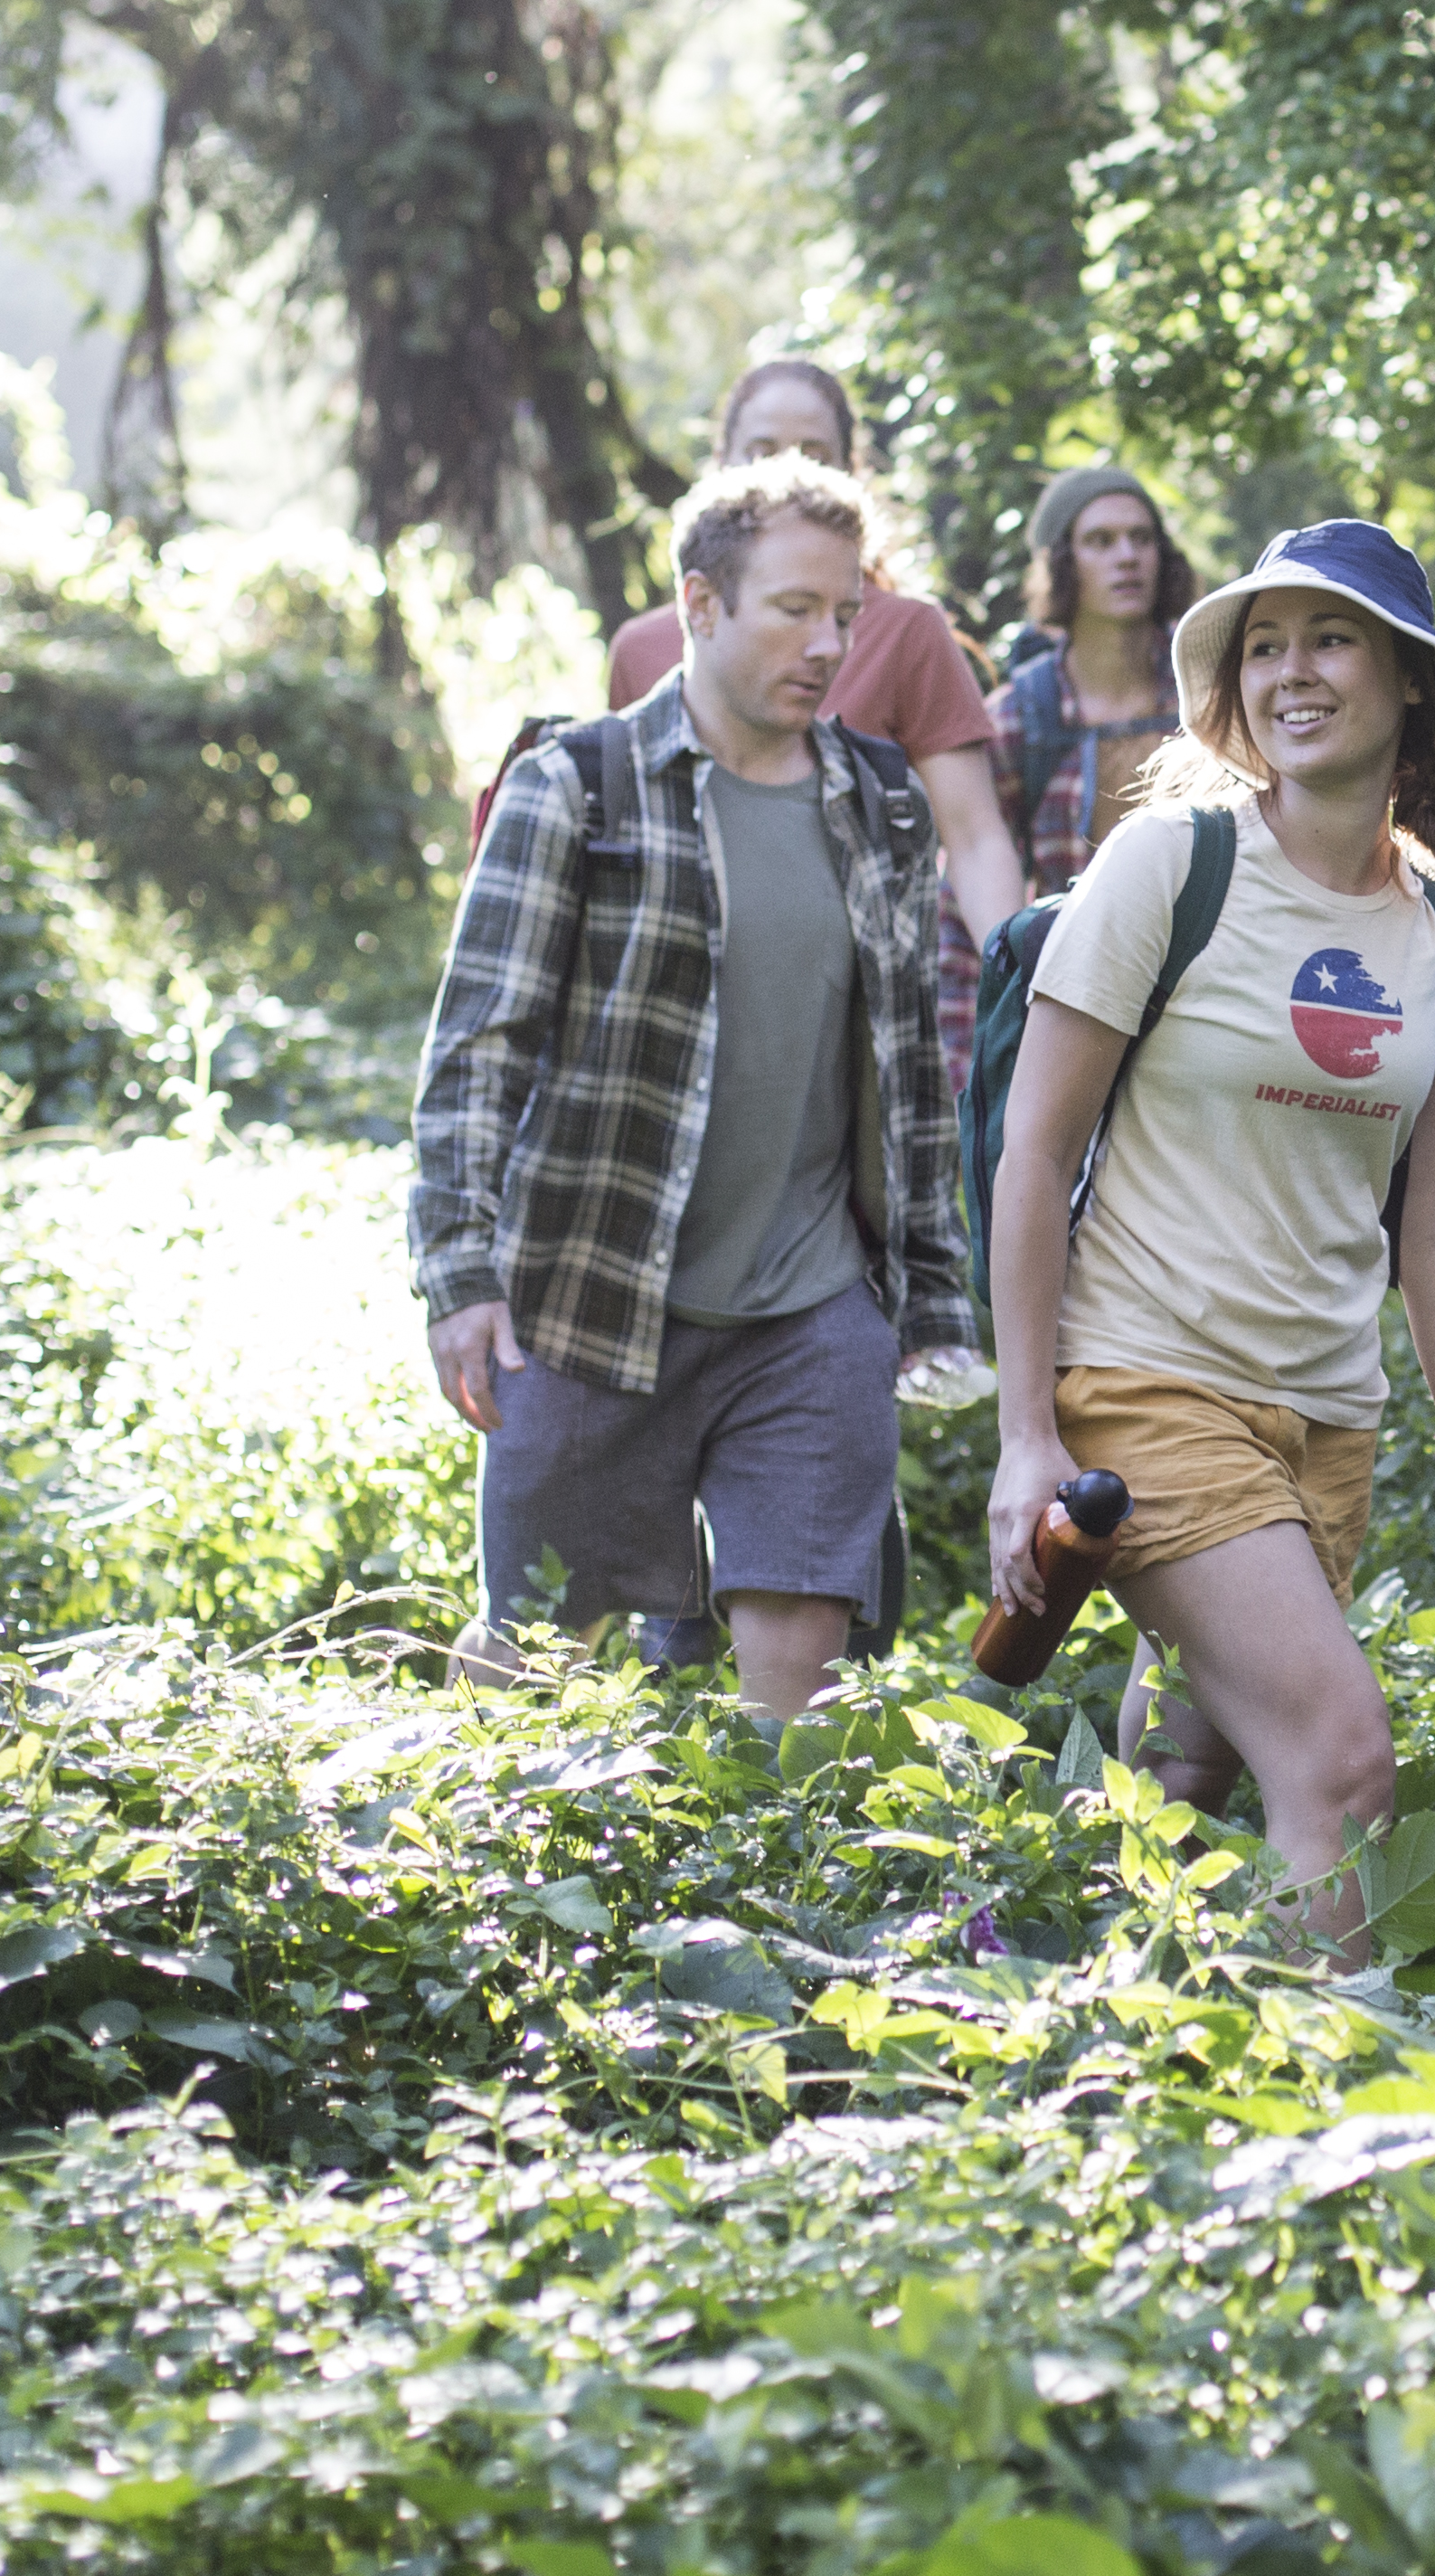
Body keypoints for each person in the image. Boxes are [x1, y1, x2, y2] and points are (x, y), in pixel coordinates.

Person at [979, 517, 1435, 1957]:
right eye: (1266, 645)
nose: (1293, 672)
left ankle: (1069, 2004)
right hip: (1147, 1381)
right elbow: (1033, 1155)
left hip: (1324, 1420)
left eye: (1331, 638)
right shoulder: (1172, 865)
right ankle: (1324, 2136)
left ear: (1410, 679)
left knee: (1194, 1760)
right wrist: (1026, 1434)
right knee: (1342, 1759)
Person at [411, 453, 977, 1719]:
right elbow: (477, 1045)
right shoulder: (578, 788)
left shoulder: (880, 803)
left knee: (800, 1698)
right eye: (794, 609)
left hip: (810, 1315)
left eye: (846, 614)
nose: (828, 644)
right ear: (701, 605)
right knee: (530, 1657)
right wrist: (459, 1276)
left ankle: (783, 1908)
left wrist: (929, 1300)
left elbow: (908, 1075)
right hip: (595, 1299)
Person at [609, 361, 1031, 1037]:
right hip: (684, 1004)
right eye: (763, 451)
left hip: (853, 1003)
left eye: (815, 456)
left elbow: (976, 838)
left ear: (852, 473)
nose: (788, 473)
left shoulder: (907, 631)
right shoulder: (643, 648)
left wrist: (1017, 992)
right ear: (721, 466)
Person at [994, 464, 1197, 898]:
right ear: (1062, 564)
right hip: (1074, 958)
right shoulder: (1019, 717)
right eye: (1100, 541)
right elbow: (975, 878)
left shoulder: (1208, 692)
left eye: (1142, 539)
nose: (1128, 556)